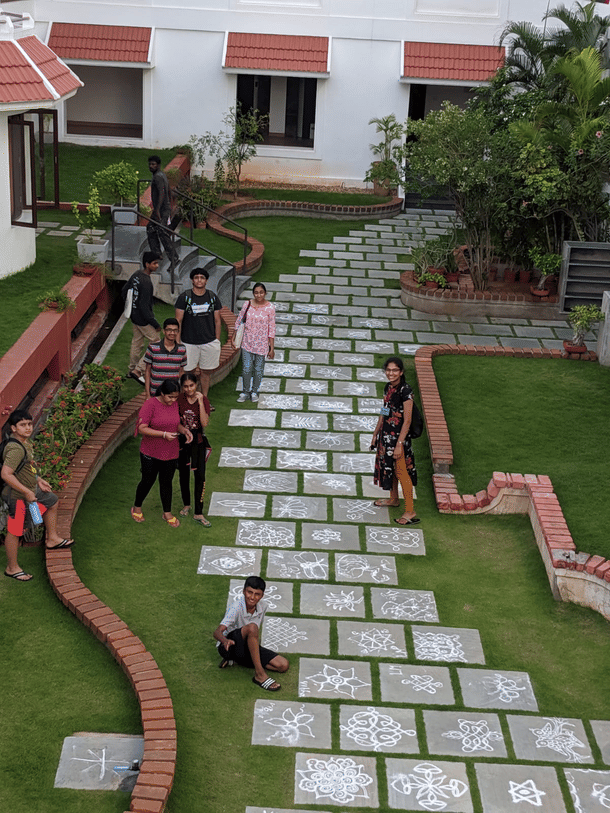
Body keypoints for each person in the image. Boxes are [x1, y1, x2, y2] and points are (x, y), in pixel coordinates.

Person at [1, 410, 75, 582]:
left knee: (52, 501)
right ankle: (12, 568)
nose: (28, 428)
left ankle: (52, 539)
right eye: (22, 425)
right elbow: (6, 474)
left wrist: (38, 480)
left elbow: (26, 467)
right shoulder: (15, 449)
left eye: (29, 424)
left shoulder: (25, 443)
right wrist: (27, 492)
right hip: (18, 495)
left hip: (31, 489)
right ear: (13, 428)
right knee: (15, 530)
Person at [131, 379, 193, 528]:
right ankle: (137, 507)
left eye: (175, 397)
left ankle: (167, 513)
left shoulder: (175, 404)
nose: (173, 400)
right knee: (147, 480)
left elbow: (174, 423)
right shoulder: (150, 404)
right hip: (150, 451)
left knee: (166, 482)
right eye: (170, 397)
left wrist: (184, 430)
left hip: (170, 451)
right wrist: (163, 434)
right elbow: (142, 428)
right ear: (162, 393)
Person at [213, 576, 289, 692]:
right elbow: (217, 632)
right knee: (252, 627)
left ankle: (238, 660)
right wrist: (225, 641)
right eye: (249, 592)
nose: (252, 597)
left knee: (283, 665)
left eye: (257, 594)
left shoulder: (263, 607)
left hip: (245, 647)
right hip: (229, 647)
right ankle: (259, 674)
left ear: (262, 595)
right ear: (244, 591)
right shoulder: (236, 607)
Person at [371, 356, 419, 525]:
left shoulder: (406, 391)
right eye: (388, 370)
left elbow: (407, 420)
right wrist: (376, 433)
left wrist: (399, 444)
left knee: (401, 472)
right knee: (389, 468)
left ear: (401, 372)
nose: (391, 373)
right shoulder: (388, 387)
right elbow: (385, 411)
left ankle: (410, 511)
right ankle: (393, 499)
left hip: (399, 439)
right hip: (386, 436)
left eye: (395, 370)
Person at [175, 267, 222, 399]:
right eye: (196, 278)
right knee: (186, 372)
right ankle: (185, 399)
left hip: (209, 342)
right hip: (188, 342)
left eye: (202, 278)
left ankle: (204, 399)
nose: (199, 280)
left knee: (206, 373)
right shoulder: (184, 297)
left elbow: (217, 320)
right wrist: (178, 343)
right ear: (192, 280)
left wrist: (217, 340)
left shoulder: (213, 297)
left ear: (206, 280)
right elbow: (178, 321)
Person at [230, 282, 275, 403]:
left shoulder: (270, 307)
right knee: (246, 368)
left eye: (261, 292)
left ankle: (254, 391)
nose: (259, 295)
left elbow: (271, 328)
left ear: (265, 293)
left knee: (258, 369)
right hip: (247, 342)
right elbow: (239, 320)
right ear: (253, 294)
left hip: (262, 344)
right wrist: (233, 336)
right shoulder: (247, 304)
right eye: (256, 293)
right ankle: (245, 391)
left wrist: (272, 348)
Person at [177, 372, 211, 527]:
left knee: (200, 476)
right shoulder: (179, 399)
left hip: (198, 441)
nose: (189, 389)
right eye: (185, 386)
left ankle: (199, 512)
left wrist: (201, 402)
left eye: (191, 385)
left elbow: (204, 423)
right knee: (183, 473)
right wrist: (184, 431)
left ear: (196, 385)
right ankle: (186, 504)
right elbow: (176, 421)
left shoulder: (203, 399)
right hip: (183, 439)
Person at [122, 251, 161, 385]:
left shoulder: (136, 274)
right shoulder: (147, 283)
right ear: (147, 264)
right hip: (143, 319)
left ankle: (131, 370)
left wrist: (131, 307)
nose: (157, 266)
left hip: (134, 316)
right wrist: (155, 324)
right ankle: (138, 370)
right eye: (154, 263)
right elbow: (145, 307)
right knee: (156, 342)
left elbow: (124, 290)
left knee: (137, 343)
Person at [143, 317, 187, 400]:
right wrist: (147, 395)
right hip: (155, 394)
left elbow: (181, 372)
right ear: (164, 331)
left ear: (178, 332)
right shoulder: (152, 348)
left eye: (175, 330)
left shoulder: (182, 349)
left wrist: (181, 392)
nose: (172, 333)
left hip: (173, 395)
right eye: (169, 330)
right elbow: (147, 372)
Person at [147, 155, 178, 264]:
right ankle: (157, 253)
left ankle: (174, 258)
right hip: (164, 208)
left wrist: (157, 210)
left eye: (153, 164)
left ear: (158, 165)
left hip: (161, 209)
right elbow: (168, 190)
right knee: (151, 228)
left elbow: (162, 193)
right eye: (150, 164)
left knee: (161, 231)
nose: (151, 166)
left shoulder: (158, 177)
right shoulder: (162, 175)